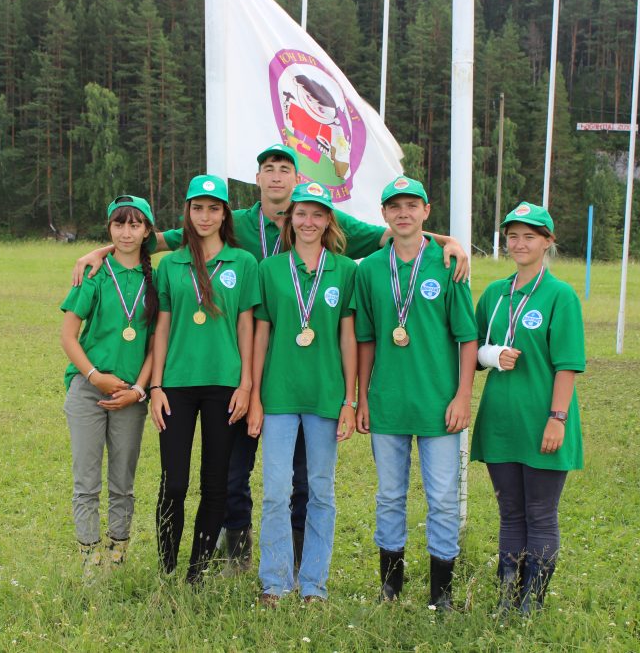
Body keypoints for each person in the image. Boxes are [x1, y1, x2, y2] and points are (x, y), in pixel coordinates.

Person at [70, 145, 470, 576]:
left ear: (297, 181)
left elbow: (394, 231)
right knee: (234, 470)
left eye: (284, 169)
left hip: (302, 370)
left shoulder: (318, 218)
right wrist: (100, 252)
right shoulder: (236, 219)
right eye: (268, 169)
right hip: (252, 361)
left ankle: (299, 557)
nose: (276, 176)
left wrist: (449, 242)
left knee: (304, 476)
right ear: (257, 178)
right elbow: (155, 237)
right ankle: (237, 551)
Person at [353, 176, 478, 609]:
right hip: (387, 401)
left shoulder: (449, 265)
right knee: (389, 496)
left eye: (412, 205)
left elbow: (466, 338)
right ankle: (391, 587)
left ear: (426, 211)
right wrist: (363, 397)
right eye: (394, 206)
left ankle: (440, 593)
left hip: (439, 404)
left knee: (442, 497)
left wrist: (463, 395)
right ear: (384, 214)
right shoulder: (369, 268)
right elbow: (365, 339)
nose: (403, 213)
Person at [471, 202, 585, 616]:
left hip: (542, 422)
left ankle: (531, 602)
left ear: (547, 242)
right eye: (513, 235)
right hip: (501, 422)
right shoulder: (494, 295)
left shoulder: (560, 296)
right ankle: (507, 595)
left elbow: (568, 364)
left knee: (540, 512)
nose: (519, 244)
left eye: (529, 236)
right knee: (509, 512)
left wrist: (557, 419)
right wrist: (489, 354)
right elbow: (472, 350)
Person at [247, 182, 357, 604]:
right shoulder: (271, 269)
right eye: (300, 214)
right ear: (289, 220)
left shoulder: (346, 271)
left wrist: (350, 400)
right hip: (277, 396)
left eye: (317, 214)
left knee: (320, 491)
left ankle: (313, 584)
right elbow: (260, 336)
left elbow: (349, 340)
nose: (308, 222)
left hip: (326, 397)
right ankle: (275, 582)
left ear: (329, 220)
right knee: (276, 489)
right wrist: (255, 396)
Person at [148, 174, 260, 584]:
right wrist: (155, 386)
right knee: (173, 482)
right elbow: (161, 328)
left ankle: (196, 573)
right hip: (176, 383)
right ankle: (167, 568)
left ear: (225, 213)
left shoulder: (243, 263)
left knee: (216, 483)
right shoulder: (170, 264)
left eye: (214, 208)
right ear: (187, 212)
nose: (205, 215)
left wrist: (247, 385)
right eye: (198, 208)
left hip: (225, 385)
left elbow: (247, 328)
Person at [59, 195, 159, 577]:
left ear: (147, 230)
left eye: (135, 225)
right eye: (119, 224)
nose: (126, 232)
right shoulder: (95, 275)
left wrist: (139, 389)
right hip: (88, 390)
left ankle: (117, 554)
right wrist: (93, 376)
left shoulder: (157, 279)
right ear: (109, 229)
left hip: (130, 395)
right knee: (86, 480)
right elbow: (69, 336)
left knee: (123, 480)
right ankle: (89, 559)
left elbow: (156, 344)